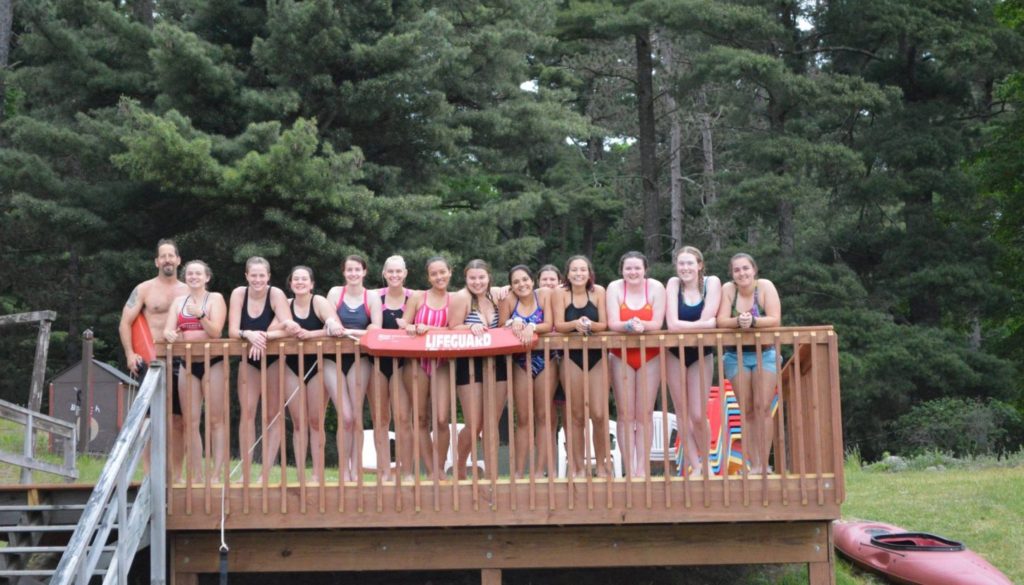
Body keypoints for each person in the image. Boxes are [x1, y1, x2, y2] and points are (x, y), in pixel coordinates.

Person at [118, 239, 187, 483]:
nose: (167, 259)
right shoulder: (144, 289)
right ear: (157, 261)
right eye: (163, 256)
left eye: (172, 255)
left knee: (179, 420)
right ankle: (149, 475)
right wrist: (129, 353)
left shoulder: (189, 290)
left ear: (179, 260)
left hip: (181, 359)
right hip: (150, 359)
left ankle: (177, 476)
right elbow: (126, 322)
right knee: (149, 419)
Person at [271, 265, 339, 484]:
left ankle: (317, 474)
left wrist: (310, 334)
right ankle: (300, 475)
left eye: (304, 279)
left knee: (316, 421)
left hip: (317, 366)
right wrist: (289, 330)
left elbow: (335, 327)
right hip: (291, 366)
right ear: (290, 284)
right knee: (299, 423)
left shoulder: (318, 302)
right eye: (296, 279)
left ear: (311, 284)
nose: (300, 282)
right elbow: (272, 332)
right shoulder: (285, 306)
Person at [228, 256, 294, 481]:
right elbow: (233, 330)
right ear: (246, 276)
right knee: (247, 414)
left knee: (273, 416)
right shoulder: (239, 294)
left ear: (269, 277)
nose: (257, 280)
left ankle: (265, 474)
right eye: (253, 275)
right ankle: (245, 472)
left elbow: (287, 327)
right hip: (249, 360)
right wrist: (249, 334)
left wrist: (263, 336)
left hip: (274, 359)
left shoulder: (276, 294)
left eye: (262, 275)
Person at [716, 253, 781, 475]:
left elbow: (775, 319)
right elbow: (721, 321)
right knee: (747, 411)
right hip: (736, 355)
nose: (742, 273)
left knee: (763, 407)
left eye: (745, 268)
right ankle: (753, 464)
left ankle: (764, 464)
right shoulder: (728, 290)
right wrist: (738, 321)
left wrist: (754, 321)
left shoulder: (764, 287)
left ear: (754, 269)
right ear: (732, 274)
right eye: (737, 270)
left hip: (766, 354)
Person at [163, 260, 228, 482]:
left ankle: (216, 474)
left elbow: (216, 332)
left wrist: (200, 315)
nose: (193, 277)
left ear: (207, 277)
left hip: (213, 363)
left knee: (216, 420)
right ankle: (197, 475)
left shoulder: (215, 298)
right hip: (187, 364)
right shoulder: (179, 302)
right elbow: (168, 331)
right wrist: (170, 335)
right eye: (190, 274)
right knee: (191, 422)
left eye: (198, 274)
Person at [606, 251, 666, 478]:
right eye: (628, 268)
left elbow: (658, 323)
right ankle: (629, 468)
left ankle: (642, 468)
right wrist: (629, 326)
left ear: (645, 269)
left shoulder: (656, 288)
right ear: (622, 270)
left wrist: (642, 326)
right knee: (625, 413)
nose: (633, 272)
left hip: (650, 354)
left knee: (645, 413)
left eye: (637, 268)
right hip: (620, 355)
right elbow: (613, 322)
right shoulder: (614, 288)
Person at [448, 259, 509, 479]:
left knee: (491, 422)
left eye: (481, 277)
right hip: (469, 364)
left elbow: (526, 288)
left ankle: (492, 475)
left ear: (489, 277)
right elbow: (451, 327)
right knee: (474, 423)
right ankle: (461, 466)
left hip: (497, 363)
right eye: (472, 277)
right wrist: (468, 326)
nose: (477, 282)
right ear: (466, 278)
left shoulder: (496, 295)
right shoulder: (461, 298)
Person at [665, 246, 721, 478]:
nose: (685, 268)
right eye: (681, 264)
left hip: (701, 352)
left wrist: (706, 324)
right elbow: (672, 324)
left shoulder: (712, 283)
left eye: (690, 263)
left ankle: (707, 461)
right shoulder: (673, 284)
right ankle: (694, 466)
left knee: (698, 413)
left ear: (699, 265)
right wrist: (705, 325)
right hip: (674, 353)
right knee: (682, 412)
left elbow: (709, 316)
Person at [552, 255, 611, 477]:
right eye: (574, 270)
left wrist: (591, 325)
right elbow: (559, 324)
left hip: (597, 356)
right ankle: (577, 466)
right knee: (575, 415)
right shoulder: (560, 293)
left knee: (598, 413)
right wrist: (575, 324)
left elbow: (604, 324)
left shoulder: (599, 292)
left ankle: (604, 465)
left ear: (589, 272)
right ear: (567, 273)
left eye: (583, 270)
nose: (578, 274)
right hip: (571, 357)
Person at [326, 255, 383, 482]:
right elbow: (329, 322)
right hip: (333, 358)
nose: (353, 274)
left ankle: (356, 468)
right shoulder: (334, 293)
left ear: (364, 272)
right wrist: (333, 325)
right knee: (346, 416)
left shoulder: (372, 297)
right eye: (349, 270)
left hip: (360, 359)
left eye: (357, 270)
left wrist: (350, 331)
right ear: (344, 272)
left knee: (356, 416)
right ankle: (343, 469)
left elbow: (375, 328)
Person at [498, 265, 554, 478]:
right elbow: (502, 325)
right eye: (516, 282)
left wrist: (533, 327)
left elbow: (549, 323)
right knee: (522, 417)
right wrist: (515, 321)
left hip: (546, 360)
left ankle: (539, 471)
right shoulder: (508, 299)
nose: (522, 284)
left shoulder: (545, 295)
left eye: (525, 280)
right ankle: (519, 471)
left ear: (533, 280)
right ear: (511, 285)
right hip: (519, 361)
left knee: (543, 416)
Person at [403, 256, 454, 478]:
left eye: (442, 272)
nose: (438, 277)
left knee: (442, 418)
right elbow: (403, 323)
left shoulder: (456, 299)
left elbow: (456, 329)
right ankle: (432, 470)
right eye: (434, 274)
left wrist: (430, 328)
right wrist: (413, 327)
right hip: (416, 361)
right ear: (428, 277)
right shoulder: (417, 297)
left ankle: (440, 466)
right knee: (420, 418)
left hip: (443, 362)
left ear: (450, 272)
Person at [371, 255, 415, 481]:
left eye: (399, 271)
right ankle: (384, 471)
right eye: (391, 272)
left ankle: (406, 471)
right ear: (384, 274)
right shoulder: (374, 297)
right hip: (377, 363)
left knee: (404, 419)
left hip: (403, 364)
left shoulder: (414, 297)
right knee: (380, 419)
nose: (395, 275)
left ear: (405, 273)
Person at [536, 264, 564, 475]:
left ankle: (574, 467)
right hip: (541, 362)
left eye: (552, 280)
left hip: (566, 360)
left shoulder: (566, 297)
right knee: (547, 418)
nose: (548, 283)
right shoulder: (534, 300)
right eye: (544, 280)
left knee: (574, 417)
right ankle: (549, 469)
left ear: (560, 281)